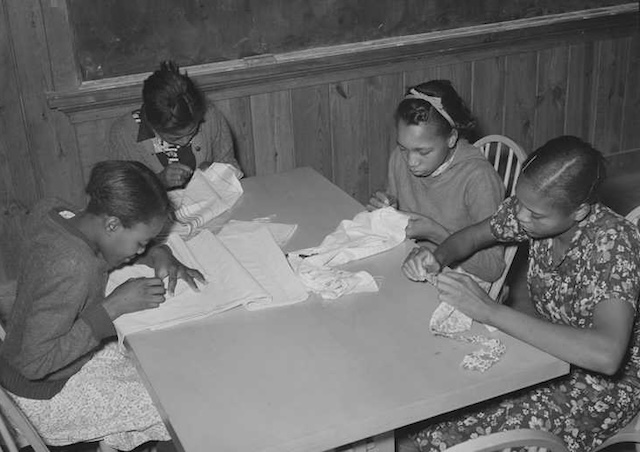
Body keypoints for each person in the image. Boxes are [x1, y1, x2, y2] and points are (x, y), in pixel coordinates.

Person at [400, 136, 640, 452]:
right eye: (520, 203)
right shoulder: (532, 212)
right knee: (430, 411)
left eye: (535, 214)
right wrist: (437, 257)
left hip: (602, 389)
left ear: (580, 212)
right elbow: (472, 237)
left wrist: (490, 310)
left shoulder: (612, 246)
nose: (521, 217)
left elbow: (607, 355)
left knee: (455, 436)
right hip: (550, 355)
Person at [0, 160, 205, 450]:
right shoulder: (73, 266)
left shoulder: (56, 212)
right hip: (42, 396)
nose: (140, 250)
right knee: (179, 402)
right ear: (111, 224)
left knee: (161, 360)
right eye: (141, 243)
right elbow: (35, 364)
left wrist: (158, 253)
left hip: (25, 359)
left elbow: (99, 246)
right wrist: (111, 309)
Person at [367, 80, 505, 283]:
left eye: (423, 152)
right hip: (412, 262)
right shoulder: (399, 157)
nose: (411, 162)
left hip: (464, 279)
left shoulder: (478, 178)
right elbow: (397, 229)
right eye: (404, 148)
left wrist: (435, 233)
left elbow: (492, 269)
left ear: (451, 139)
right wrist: (388, 210)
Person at [109, 60, 241, 189]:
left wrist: (215, 171)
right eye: (175, 138)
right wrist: (159, 181)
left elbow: (231, 166)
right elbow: (121, 193)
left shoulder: (210, 116)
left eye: (192, 132)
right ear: (153, 125)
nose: (185, 141)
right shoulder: (124, 133)